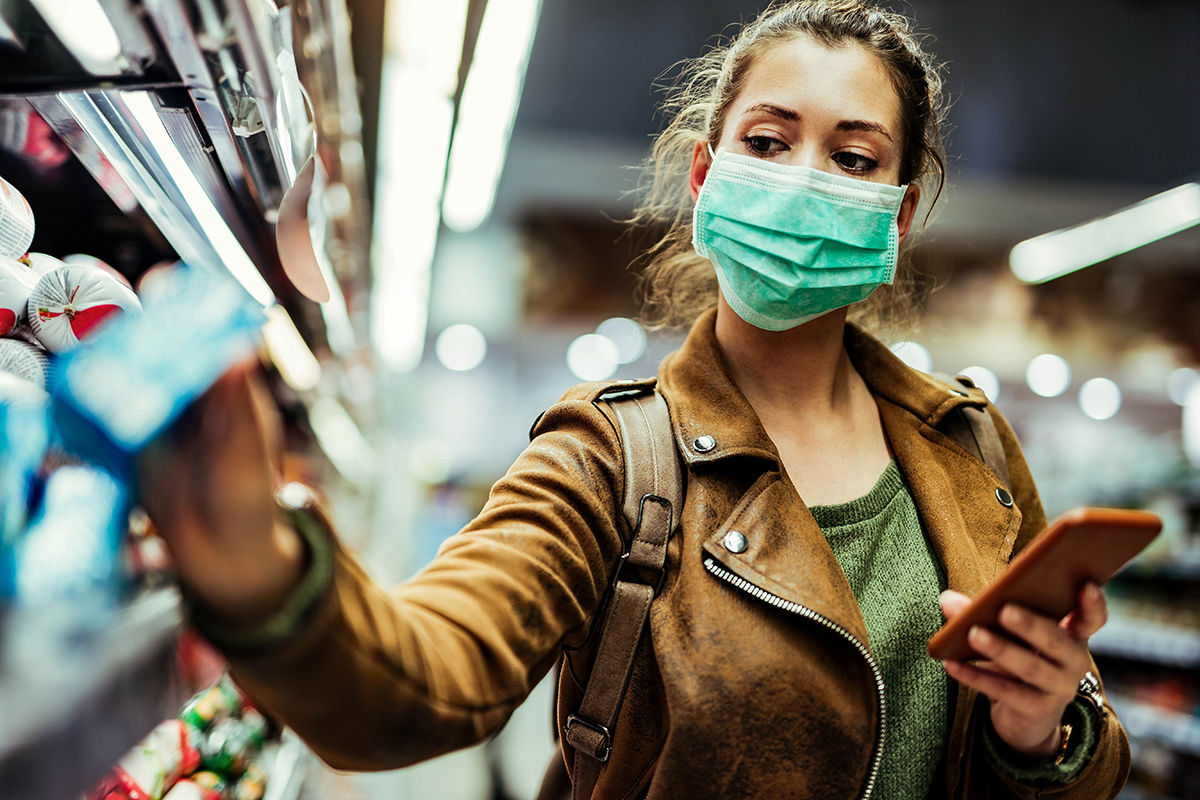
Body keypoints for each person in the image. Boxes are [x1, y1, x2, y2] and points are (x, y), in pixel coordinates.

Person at [139, 1, 1131, 798]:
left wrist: (1039, 731)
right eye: (771, 140)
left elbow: (1066, 754)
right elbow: (431, 674)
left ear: (901, 214)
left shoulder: (972, 447)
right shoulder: (613, 453)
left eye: (855, 158)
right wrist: (267, 576)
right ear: (705, 177)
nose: (803, 181)